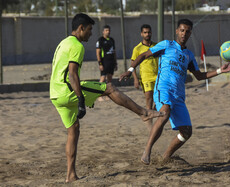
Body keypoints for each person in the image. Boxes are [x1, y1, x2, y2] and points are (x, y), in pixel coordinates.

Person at [49, 13, 164, 182]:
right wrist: (80, 100)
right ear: (81, 28)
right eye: (89, 30)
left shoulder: (63, 43)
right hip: (67, 89)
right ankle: (143, 113)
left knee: (73, 130)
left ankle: (71, 175)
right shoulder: (77, 46)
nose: (90, 33)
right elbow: (73, 74)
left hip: (54, 94)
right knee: (109, 88)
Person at [119, 18, 230, 165]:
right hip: (163, 88)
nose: (184, 34)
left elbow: (199, 76)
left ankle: (166, 156)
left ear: (190, 34)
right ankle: (147, 151)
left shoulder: (189, 55)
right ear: (177, 31)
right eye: (182, 30)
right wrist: (130, 70)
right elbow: (143, 55)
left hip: (179, 95)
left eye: (187, 32)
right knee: (165, 112)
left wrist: (220, 70)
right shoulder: (166, 44)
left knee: (187, 132)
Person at [131, 24, 158, 131]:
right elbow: (132, 64)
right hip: (146, 77)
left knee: (161, 98)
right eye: (145, 32)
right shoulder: (137, 48)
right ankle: (150, 124)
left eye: (149, 32)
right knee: (149, 99)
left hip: (158, 76)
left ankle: (153, 115)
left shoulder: (156, 46)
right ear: (141, 34)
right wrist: (135, 79)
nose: (147, 34)